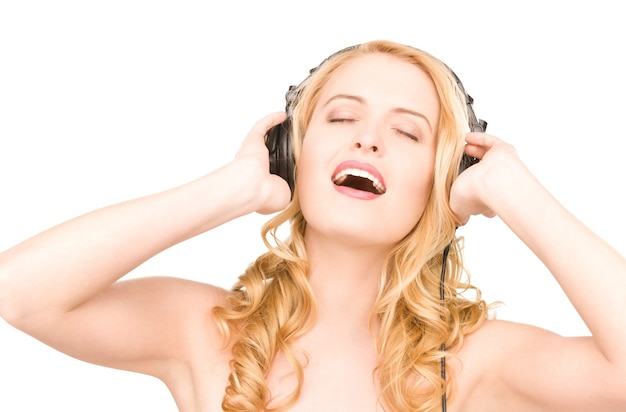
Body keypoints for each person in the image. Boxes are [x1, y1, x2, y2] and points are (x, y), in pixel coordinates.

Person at [0, 40, 624, 412]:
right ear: (293, 156)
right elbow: (18, 292)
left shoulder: (472, 361)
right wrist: (233, 188)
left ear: (445, 177)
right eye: (341, 117)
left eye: (407, 131)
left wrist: (518, 194)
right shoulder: (201, 331)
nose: (368, 139)